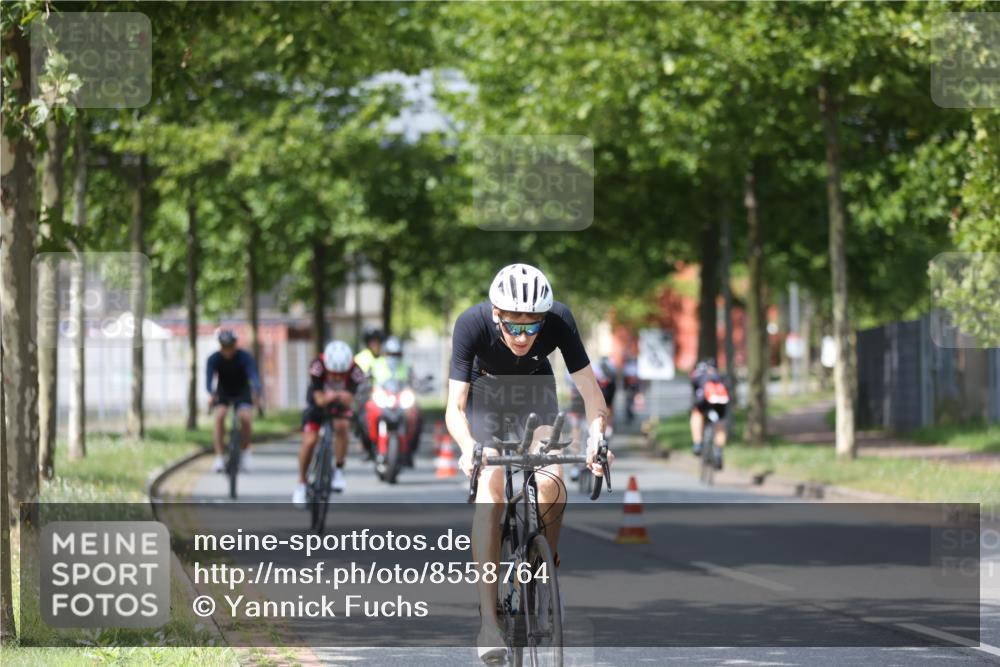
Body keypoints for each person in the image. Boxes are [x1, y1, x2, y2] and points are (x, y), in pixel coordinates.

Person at [444, 263, 613, 662]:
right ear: (496, 316)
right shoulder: (471, 324)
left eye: (532, 328)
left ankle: (540, 564)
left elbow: (591, 391)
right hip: (487, 393)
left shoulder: (559, 320)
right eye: (514, 328)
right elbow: (455, 406)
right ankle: (489, 622)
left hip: (535, 392)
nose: (523, 337)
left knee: (553, 477)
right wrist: (468, 445)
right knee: (492, 484)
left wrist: (596, 436)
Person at [292, 340, 366, 507]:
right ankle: (301, 483)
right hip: (316, 404)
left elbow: (350, 399)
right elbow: (319, 399)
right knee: (310, 441)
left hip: (339, 405)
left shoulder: (356, 371)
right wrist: (332, 396)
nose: (337, 377)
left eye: (341, 374)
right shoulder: (317, 366)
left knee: (342, 426)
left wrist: (337, 396)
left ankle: (338, 470)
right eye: (333, 373)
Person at [206, 328, 261, 473]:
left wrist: (256, 389)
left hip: (242, 391)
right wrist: (211, 394)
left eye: (230, 347)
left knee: (245, 418)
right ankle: (219, 457)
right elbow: (209, 379)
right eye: (224, 347)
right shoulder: (214, 359)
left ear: (235, 345)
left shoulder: (245, 357)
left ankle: (246, 452)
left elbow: (253, 375)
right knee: (219, 416)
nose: (227, 351)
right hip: (223, 392)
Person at [369, 335, 422, 466]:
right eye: (390, 353)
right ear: (384, 352)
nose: (393, 356)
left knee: (417, 414)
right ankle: (369, 445)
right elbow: (368, 379)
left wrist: (418, 384)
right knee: (366, 410)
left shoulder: (405, 366)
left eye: (396, 354)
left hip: (400, 399)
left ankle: (409, 451)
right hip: (383, 397)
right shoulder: (377, 364)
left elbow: (413, 380)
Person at [689, 357, 730, 470]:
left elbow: (694, 388)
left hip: (704, 401)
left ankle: (697, 444)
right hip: (720, 402)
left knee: (696, 414)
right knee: (720, 426)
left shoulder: (698, 374)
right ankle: (718, 453)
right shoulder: (721, 376)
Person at [353, 327, 384, 460]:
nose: (375, 345)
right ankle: (365, 442)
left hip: (384, 394)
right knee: (362, 415)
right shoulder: (361, 358)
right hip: (367, 395)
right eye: (372, 342)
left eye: (377, 342)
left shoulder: (386, 358)